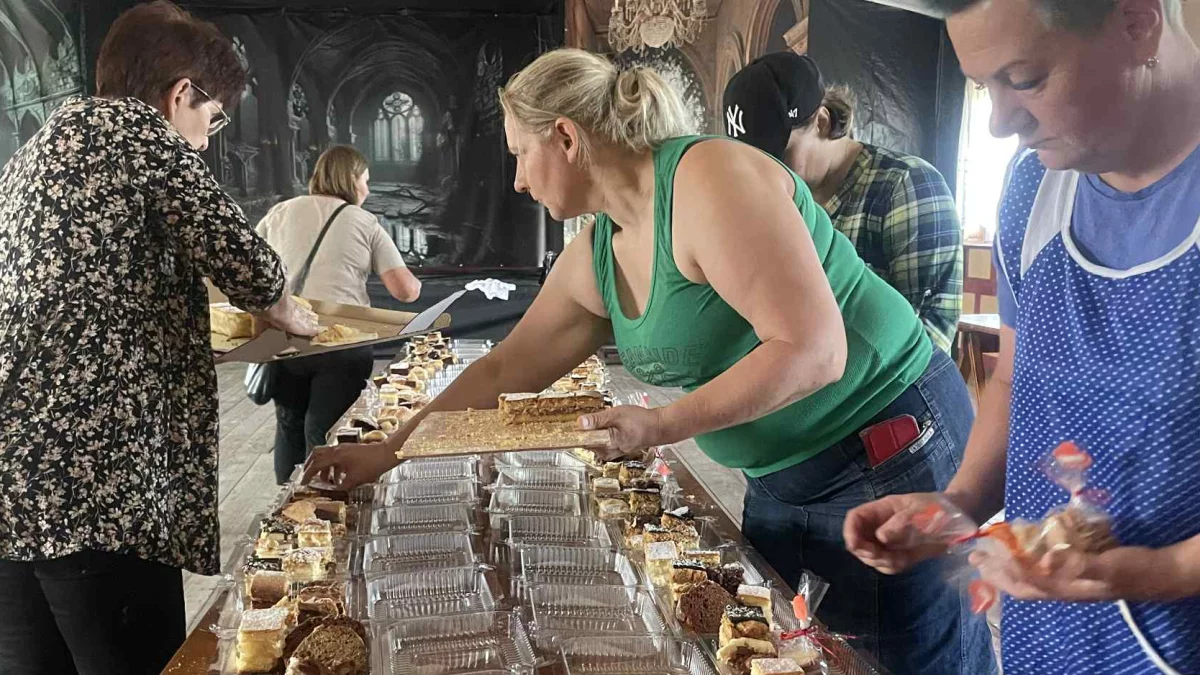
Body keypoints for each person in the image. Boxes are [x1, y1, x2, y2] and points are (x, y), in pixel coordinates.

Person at [305, 48, 994, 675]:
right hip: (783, 475)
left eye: (520, 154)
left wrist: (659, 424)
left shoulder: (707, 179)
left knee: (897, 661)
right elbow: (503, 371)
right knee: (793, 654)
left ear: (566, 138)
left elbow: (815, 351)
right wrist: (387, 453)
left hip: (884, 447)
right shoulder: (599, 250)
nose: (517, 181)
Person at [844, 0, 1200, 673]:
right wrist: (959, 502)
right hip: (1046, 639)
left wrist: (1156, 572)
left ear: (1137, 21)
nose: (1000, 121)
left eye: (1025, 79)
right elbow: (1014, 376)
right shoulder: (1036, 187)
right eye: (985, 87)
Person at [0, 3, 316, 674]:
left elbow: (81, 300)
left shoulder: (37, 149)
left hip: (16, 484)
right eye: (213, 117)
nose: (204, 141)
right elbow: (247, 264)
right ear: (180, 95)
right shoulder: (139, 133)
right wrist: (290, 311)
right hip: (98, 485)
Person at [723, 53, 963, 354]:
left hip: (887, 382)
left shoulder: (906, 186)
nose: (767, 174)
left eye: (779, 156)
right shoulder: (777, 203)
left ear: (822, 122)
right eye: (754, 162)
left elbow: (924, 344)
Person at [255, 145, 422, 484]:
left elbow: (251, 273)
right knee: (328, 430)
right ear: (351, 178)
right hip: (342, 343)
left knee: (289, 425)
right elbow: (405, 291)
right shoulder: (363, 221)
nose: (367, 190)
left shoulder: (280, 212)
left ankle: (287, 505)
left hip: (284, 339)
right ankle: (321, 506)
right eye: (366, 180)